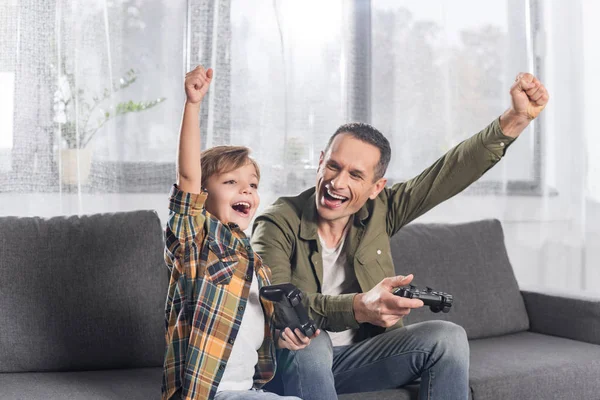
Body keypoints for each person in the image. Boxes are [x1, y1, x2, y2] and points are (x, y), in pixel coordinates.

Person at [251, 72, 549, 400]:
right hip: (295, 360)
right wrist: (359, 306)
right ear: (320, 162)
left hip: (359, 358)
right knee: (311, 341)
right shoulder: (277, 220)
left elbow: (447, 174)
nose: (337, 183)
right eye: (333, 166)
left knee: (447, 338)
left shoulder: (382, 211)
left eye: (355, 175)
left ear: (376, 187)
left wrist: (516, 118)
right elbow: (277, 305)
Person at [161, 65, 319, 400]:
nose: (245, 191)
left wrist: (286, 337)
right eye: (231, 183)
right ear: (204, 194)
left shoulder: (254, 263)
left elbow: (252, 330)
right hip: (205, 394)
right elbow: (188, 178)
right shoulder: (197, 244)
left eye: (252, 185)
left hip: (246, 389)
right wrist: (193, 105)